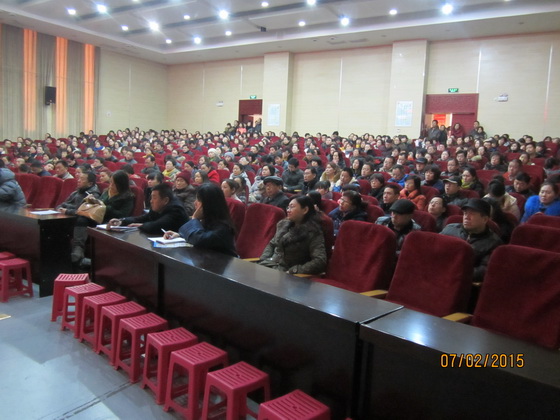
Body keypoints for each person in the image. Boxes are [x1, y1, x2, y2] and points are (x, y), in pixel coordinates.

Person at [71, 170, 135, 265]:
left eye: (114, 183)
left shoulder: (128, 197)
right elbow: (100, 204)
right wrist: (94, 201)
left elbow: (123, 214)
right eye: (111, 182)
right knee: (81, 219)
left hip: (109, 221)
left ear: (121, 184)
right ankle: (78, 250)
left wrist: (106, 207)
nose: (111, 185)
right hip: (98, 217)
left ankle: (82, 258)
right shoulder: (106, 192)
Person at [258, 195, 327, 275]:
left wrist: (295, 271)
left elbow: (320, 260)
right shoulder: (283, 225)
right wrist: (263, 259)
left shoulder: (313, 232)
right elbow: (272, 244)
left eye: (292, 207)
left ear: (305, 210)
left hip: (286, 273)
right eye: (288, 207)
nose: (288, 210)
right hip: (269, 265)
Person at [163, 183, 237, 257]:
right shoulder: (205, 220)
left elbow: (199, 240)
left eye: (198, 200)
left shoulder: (223, 227)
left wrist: (195, 219)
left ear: (209, 204)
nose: (195, 203)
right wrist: (180, 235)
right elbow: (183, 230)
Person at [440, 198, 502, 282]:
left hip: (463, 281)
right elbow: (435, 249)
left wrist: (456, 273)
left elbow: (484, 270)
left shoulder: (493, 242)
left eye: (472, 214)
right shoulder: (450, 228)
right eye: (465, 213)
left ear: (485, 219)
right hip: (439, 273)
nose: (466, 217)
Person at [108, 183, 187, 234]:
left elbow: (157, 226)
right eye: (151, 197)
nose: (151, 201)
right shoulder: (158, 206)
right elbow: (144, 218)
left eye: (154, 198)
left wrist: (141, 226)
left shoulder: (176, 210)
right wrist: (122, 221)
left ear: (165, 200)